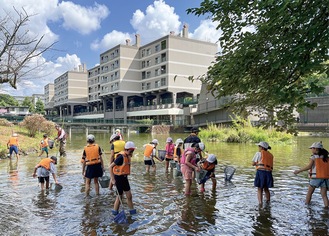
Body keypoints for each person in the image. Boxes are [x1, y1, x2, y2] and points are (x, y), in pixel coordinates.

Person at [294, 142, 329, 207]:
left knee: (309, 193)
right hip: (325, 179)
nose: (311, 150)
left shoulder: (313, 157)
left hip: (316, 178)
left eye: (312, 148)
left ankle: (307, 206)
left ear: (315, 149)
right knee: (324, 195)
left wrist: (298, 171)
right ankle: (326, 209)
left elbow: (309, 167)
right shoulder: (326, 157)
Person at [109, 141, 137, 215]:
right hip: (118, 178)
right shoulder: (121, 157)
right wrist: (112, 179)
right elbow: (110, 167)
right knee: (119, 197)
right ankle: (115, 213)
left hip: (124, 178)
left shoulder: (127, 156)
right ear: (126, 150)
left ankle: (132, 212)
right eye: (131, 151)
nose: (132, 152)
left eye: (133, 151)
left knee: (129, 196)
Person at [252, 141, 274, 206]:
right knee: (266, 188)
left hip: (261, 173)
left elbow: (253, 164)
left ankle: (260, 203)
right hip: (269, 173)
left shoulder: (258, 153)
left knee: (259, 188)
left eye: (259, 146)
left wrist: (257, 163)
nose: (258, 147)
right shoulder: (270, 155)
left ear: (261, 147)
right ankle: (268, 202)